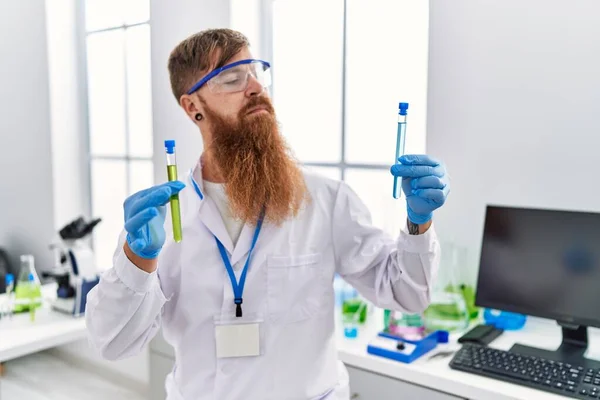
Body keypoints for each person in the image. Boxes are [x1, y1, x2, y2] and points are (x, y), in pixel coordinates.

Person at [85, 28, 450, 400]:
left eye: (257, 73)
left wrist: (418, 224)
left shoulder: (325, 199)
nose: (256, 88)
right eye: (232, 78)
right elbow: (112, 342)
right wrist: (137, 259)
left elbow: (408, 294)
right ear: (192, 106)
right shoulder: (166, 218)